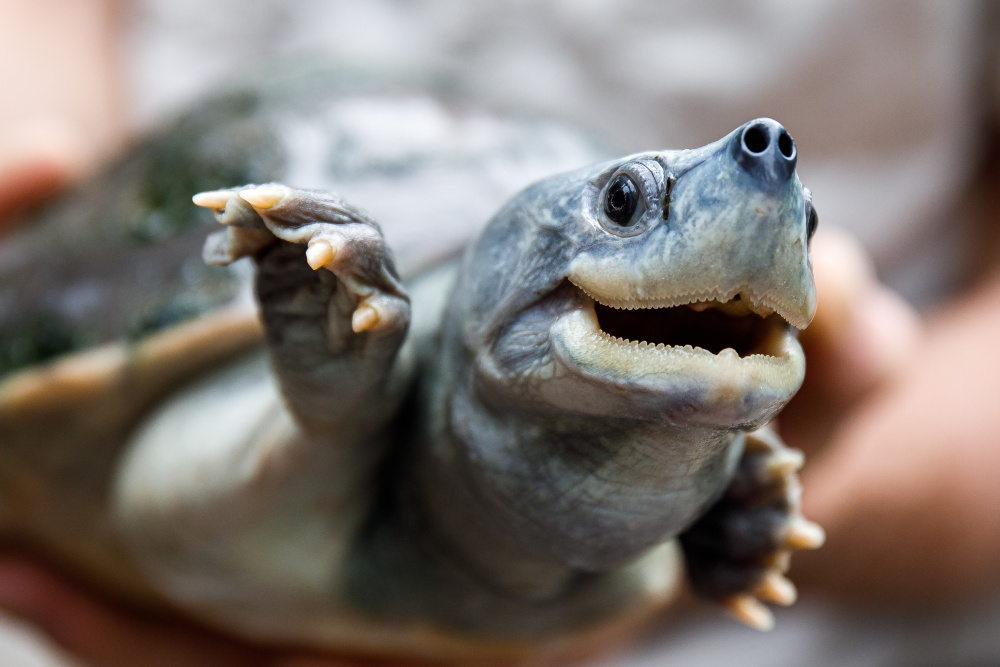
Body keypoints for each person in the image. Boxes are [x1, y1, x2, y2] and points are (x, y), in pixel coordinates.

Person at [1, 1, 999, 665]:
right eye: (626, 205)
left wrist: (785, 493)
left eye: (797, 228)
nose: (770, 197)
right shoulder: (355, 293)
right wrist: (34, 155)